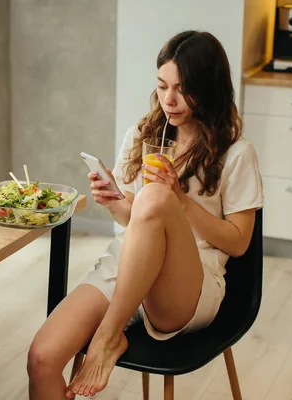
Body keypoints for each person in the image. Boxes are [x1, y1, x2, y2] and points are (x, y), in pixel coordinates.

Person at [26, 30, 264, 399]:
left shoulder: (236, 154)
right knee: (41, 357)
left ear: (209, 87)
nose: (169, 100)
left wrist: (180, 201)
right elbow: (132, 220)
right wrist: (113, 202)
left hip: (189, 284)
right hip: (128, 263)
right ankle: (111, 330)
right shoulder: (143, 133)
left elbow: (239, 242)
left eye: (182, 89)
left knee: (153, 198)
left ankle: (107, 336)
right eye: (162, 86)